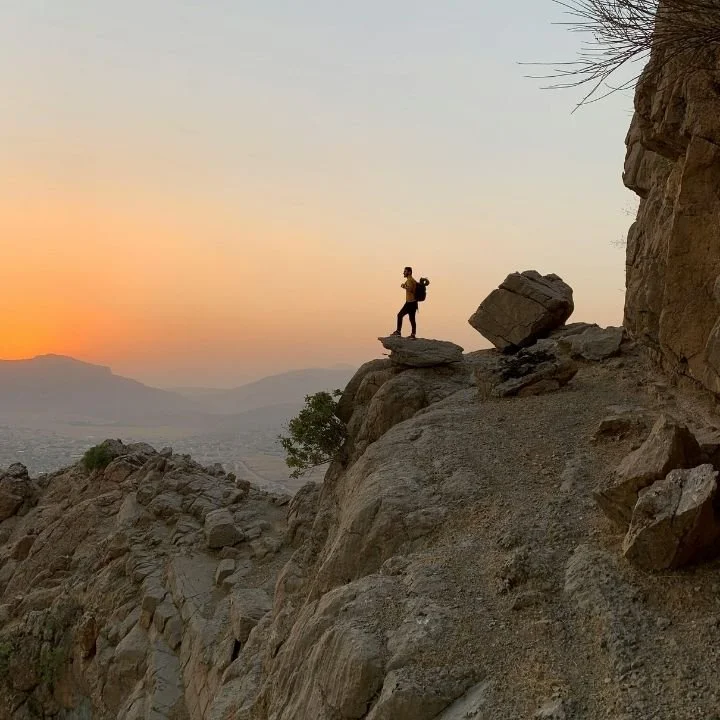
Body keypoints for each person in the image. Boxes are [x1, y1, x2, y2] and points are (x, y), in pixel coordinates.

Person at [391, 266, 418, 339]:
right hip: (414, 303)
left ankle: (398, 332)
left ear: (409, 272)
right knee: (412, 319)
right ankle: (413, 334)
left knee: (400, 315)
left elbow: (410, 289)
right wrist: (405, 286)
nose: (404, 273)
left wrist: (404, 286)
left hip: (410, 303)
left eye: (405, 271)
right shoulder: (413, 280)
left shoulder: (410, 280)